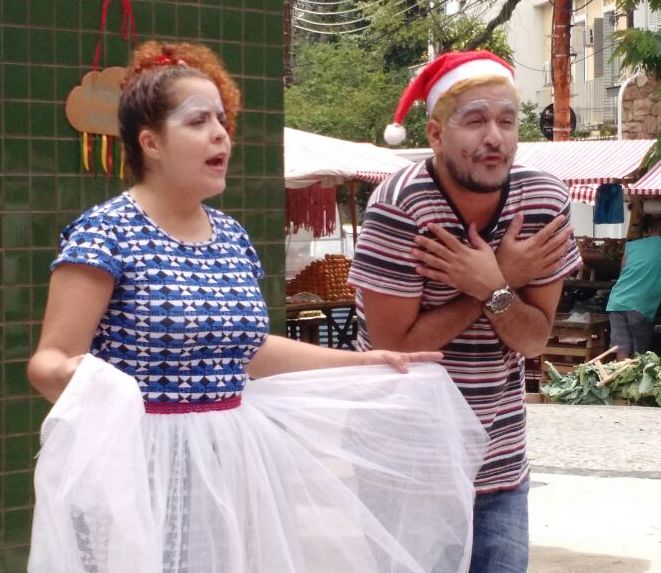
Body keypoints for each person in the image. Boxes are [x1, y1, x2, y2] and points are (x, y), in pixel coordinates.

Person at [26, 41, 489, 573]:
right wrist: (100, 387)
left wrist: (366, 360)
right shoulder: (105, 233)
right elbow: (48, 361)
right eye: (197, 121)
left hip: (231, 462)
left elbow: (249, 351)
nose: (220, 134)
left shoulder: (230, 236)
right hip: (139, 467)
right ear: (150, 142)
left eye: (221, 120)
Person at [349, 50, 582, 573]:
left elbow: (533, 340)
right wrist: (494, 281)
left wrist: (492, 284)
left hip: (498, 461)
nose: (494, 137)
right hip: (403, 463)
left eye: (507, 121)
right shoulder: (401, 205)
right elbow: (393, 350)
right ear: (435, 134)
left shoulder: (543, 201)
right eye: (475, 121)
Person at [606, 215, 661, 360]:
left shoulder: (632, 246)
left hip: (617, 301)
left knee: (621, 348)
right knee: (640, 354)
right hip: (640, 306)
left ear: (649, 230)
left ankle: (622, 375)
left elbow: (623, 271)